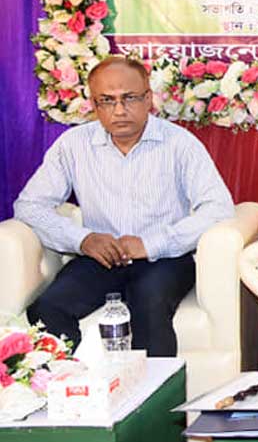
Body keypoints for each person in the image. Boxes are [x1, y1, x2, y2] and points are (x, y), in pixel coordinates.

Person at [15, 56, 235, 355]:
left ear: (148, 99)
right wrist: (83, 239)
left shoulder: (180, 143)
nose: (119, 110)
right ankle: (77, 380)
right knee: (47, 308)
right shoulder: (73, 145)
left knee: (147, 302)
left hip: (165, 259)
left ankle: (156, 387)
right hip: (100, 256)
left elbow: (218, 208)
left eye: (129, 98)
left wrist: (151, 244)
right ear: (94, 105)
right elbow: (29, 205)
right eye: (107, 100)